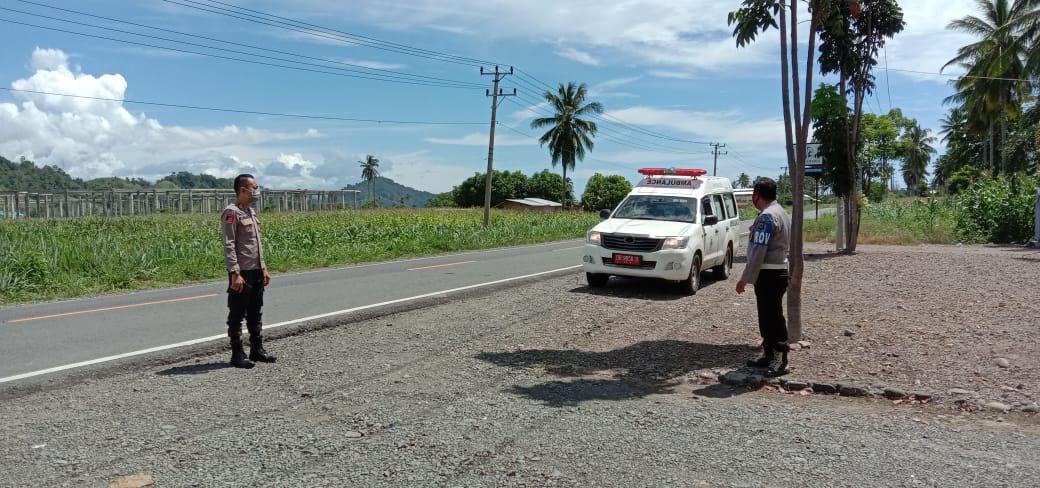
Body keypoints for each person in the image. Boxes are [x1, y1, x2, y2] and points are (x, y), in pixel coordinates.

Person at [735, 177, 791, 377]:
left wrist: (745, 278)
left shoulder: (766, 217)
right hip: (777, 272)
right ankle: (768, 354)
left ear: (756, 195)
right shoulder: (781, 212)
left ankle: (779, 358)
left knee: (772, 317)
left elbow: (759, 251)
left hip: (769, 273)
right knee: (768, 315)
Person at [221, 174, 276, 369]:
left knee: (255, 312)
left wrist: (264, 268)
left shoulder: (251, 212)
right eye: (254, 187)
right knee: (237, 314)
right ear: (243, 190)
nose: (257, 191)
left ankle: (257, 350)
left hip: (256, 271)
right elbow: (229, 245)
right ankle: (237, 354)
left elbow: (256, 244)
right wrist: (235, 272)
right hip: (241, 273)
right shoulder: (232, 212)